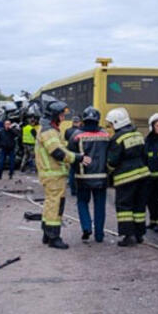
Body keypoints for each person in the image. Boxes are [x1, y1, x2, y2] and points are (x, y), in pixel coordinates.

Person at [36, 96, 90, 249]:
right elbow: (58, 153)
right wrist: (78, 157)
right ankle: (54, 237)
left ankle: (47, 234)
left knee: (50, 203)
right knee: (55, 205)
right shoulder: (48, 131)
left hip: (51, 174)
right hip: (53, 174)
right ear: (53, 115)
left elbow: (60, 148)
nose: (62, 118)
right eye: (60, 115)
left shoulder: (49, 129)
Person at [106, 107, 151, 247]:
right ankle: (139, 235)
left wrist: (108, 172)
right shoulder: (138, 135)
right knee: (139, 206)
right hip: (143, 176)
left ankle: (128, 236)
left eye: (111, 124)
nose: (111, 127)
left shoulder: (117, 139)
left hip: (126, 179)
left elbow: (113, 161)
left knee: (124, 206)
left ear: (116, 122)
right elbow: (145, 155)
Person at [68, 107, 110, 243]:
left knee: (82, 202)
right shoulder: (106, 135)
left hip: (83, 177)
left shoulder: (76, 135)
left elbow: (70, 156)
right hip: (102, 177)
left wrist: (74, 172)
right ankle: (99, 235)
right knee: (100, 206)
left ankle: (86, 227)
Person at [65, 116, 83, 196]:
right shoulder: (81, 131)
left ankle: (73, 190)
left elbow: (66, 141)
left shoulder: (68, 131)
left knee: (72, 172)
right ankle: (80, 189)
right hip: (80, 153)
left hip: (71, 153)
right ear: (79, 122)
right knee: (80, 172)